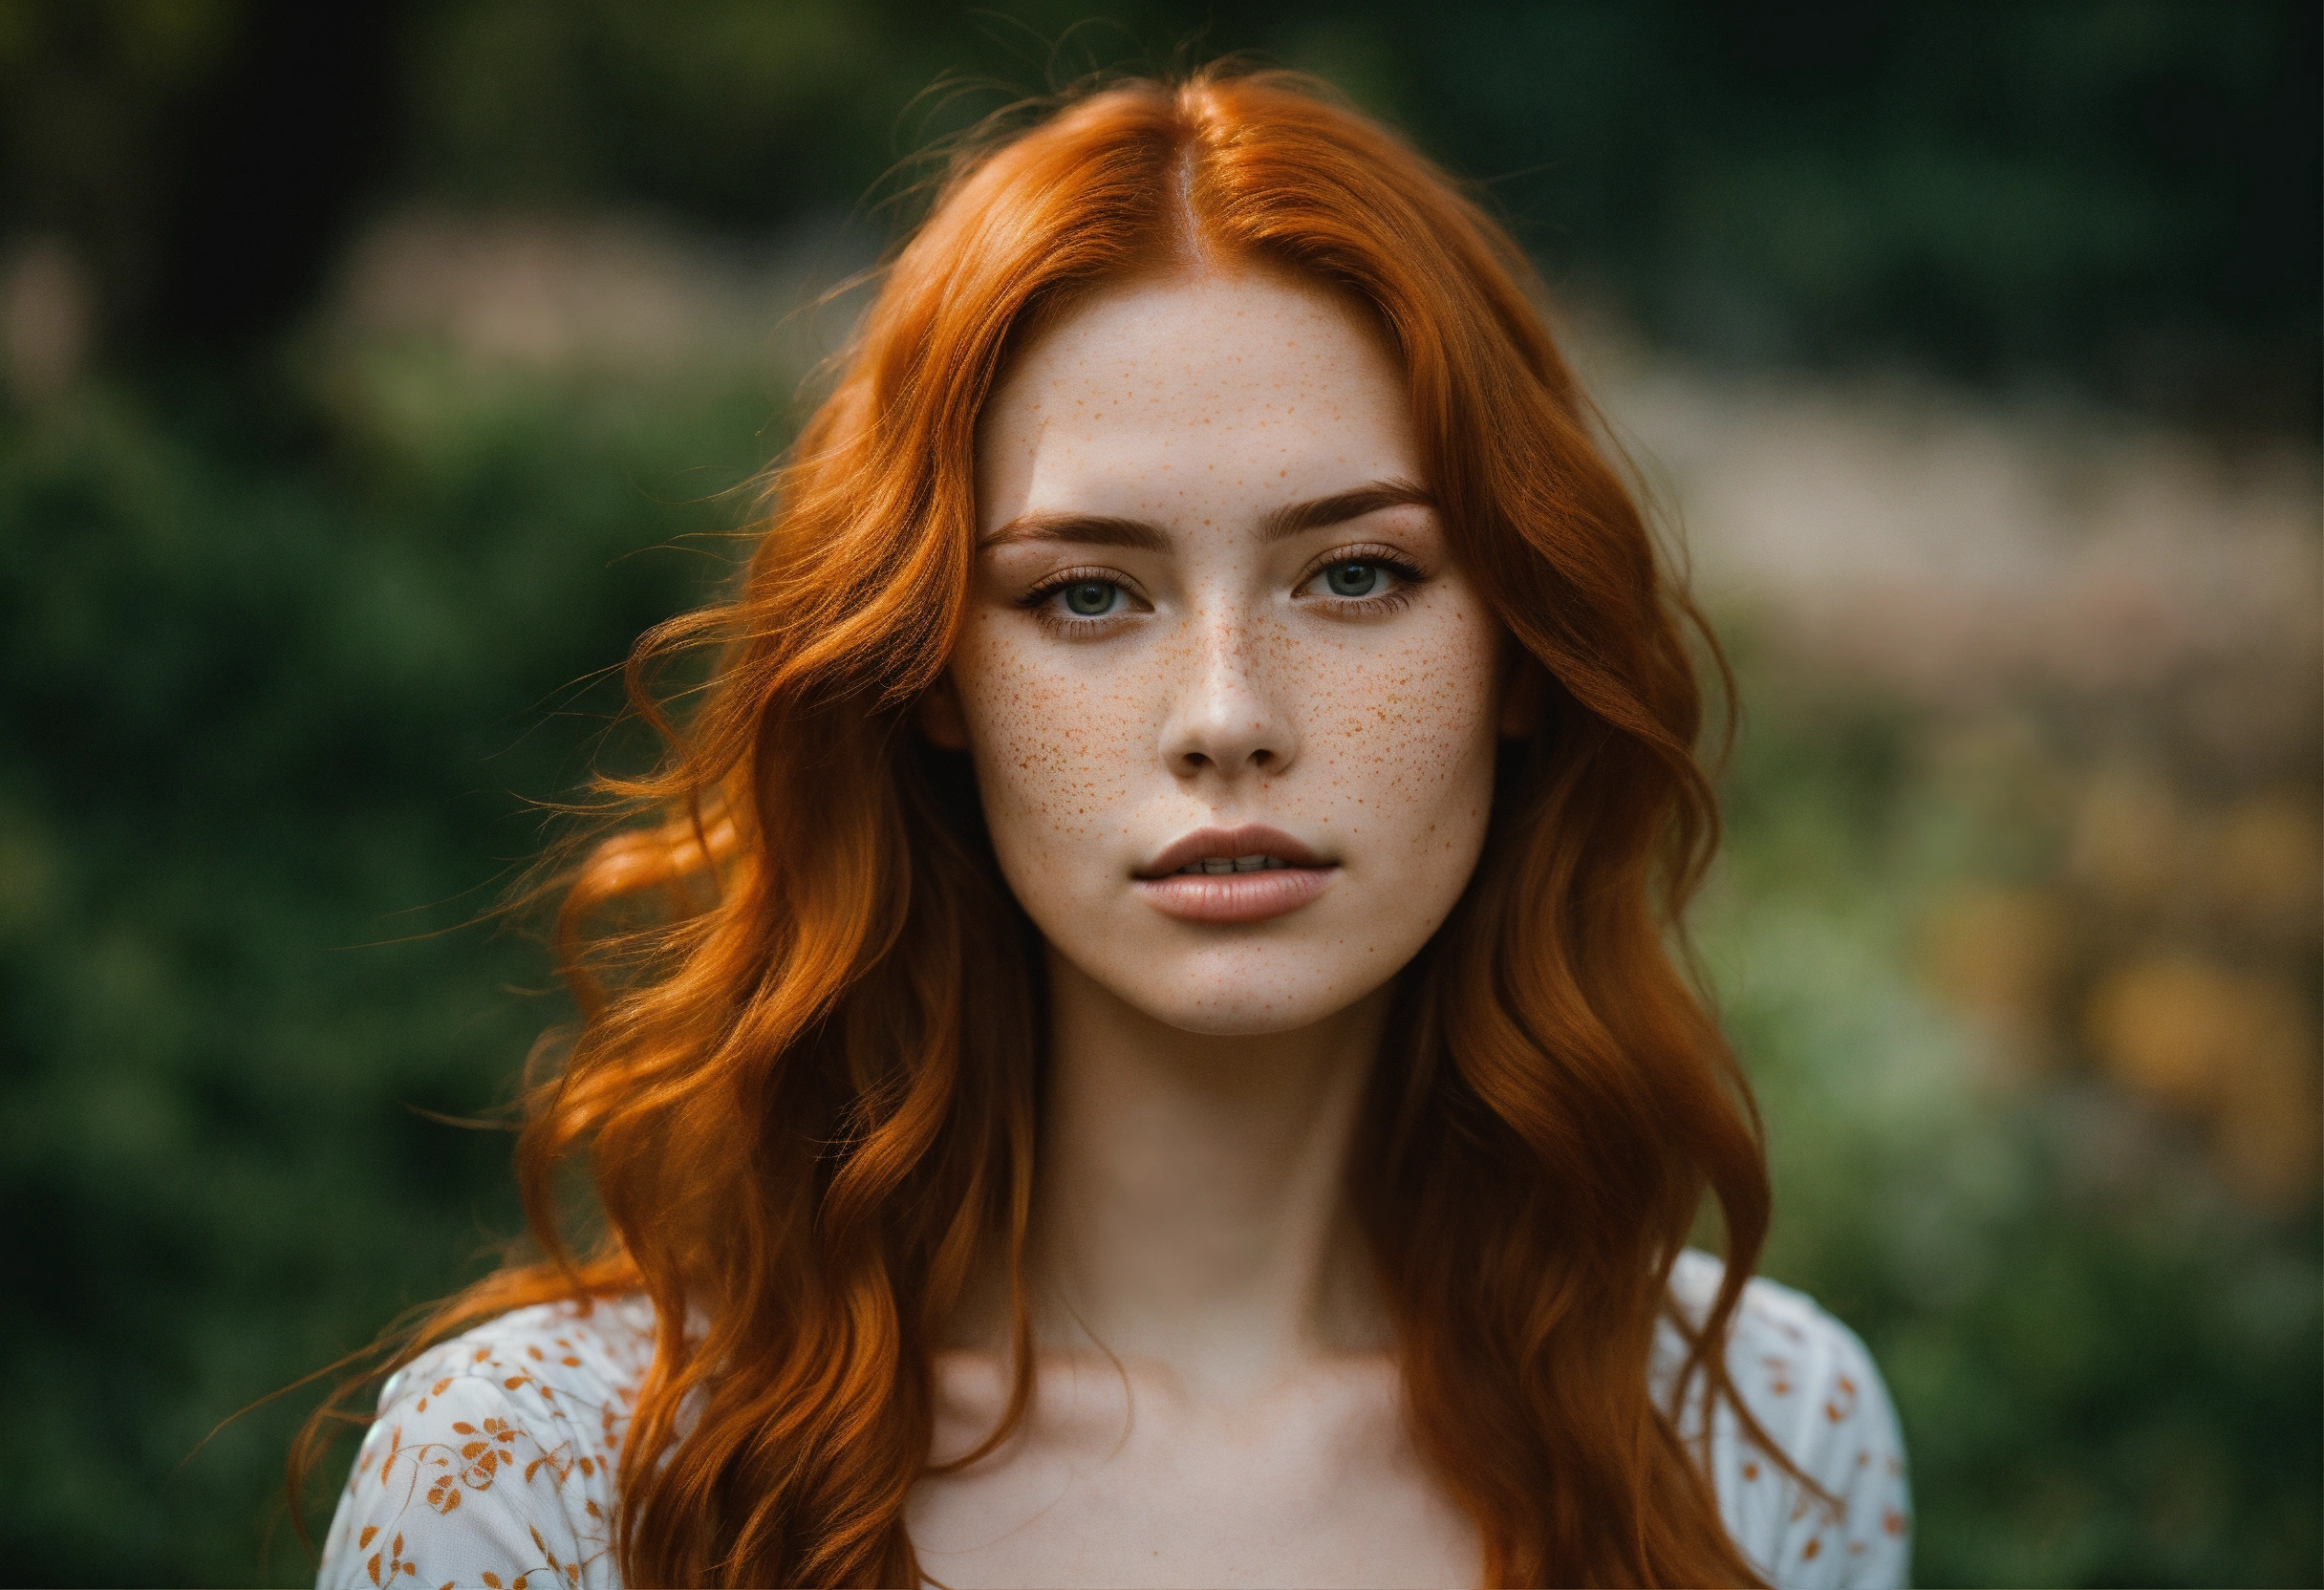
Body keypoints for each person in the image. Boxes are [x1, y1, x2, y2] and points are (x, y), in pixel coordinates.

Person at [302, 66, 1908, 1589]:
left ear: (1519, 653)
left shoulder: (1753, 1437)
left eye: (1357, 574)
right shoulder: (556, 1479)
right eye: (1086, 593)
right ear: (935, 677)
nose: (1226, 716)